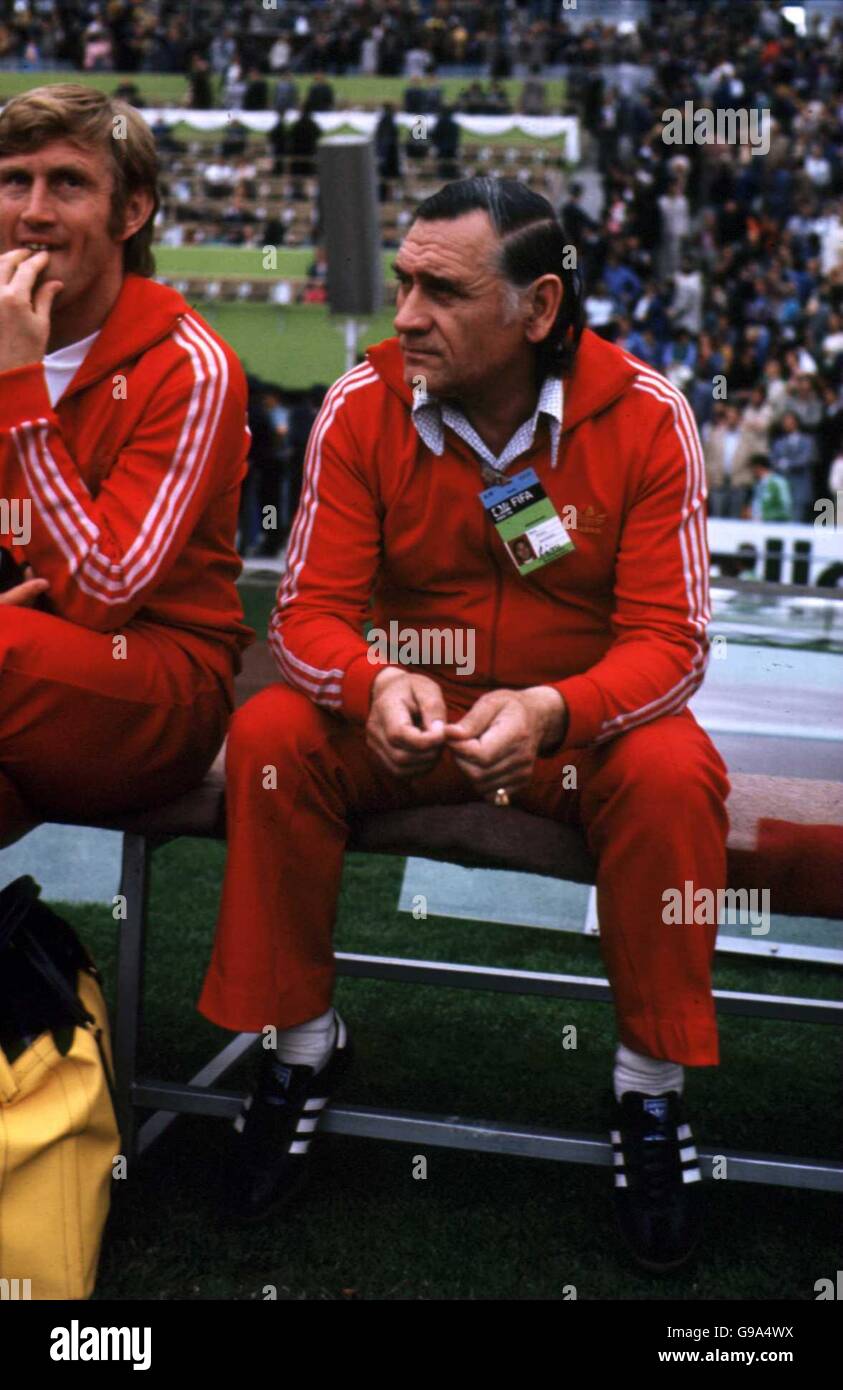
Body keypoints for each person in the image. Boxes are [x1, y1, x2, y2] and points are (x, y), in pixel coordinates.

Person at [200, 177, 729, 1275]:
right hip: (404, 725)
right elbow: (306, 617)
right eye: (402, 281)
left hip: (565, 738)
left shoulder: (645, 412)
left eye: (441, 289)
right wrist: (367, 685)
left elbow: (672, 643)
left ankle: (648, 1093)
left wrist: (553, 709)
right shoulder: (362, 402)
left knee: (676, 767)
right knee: (271, 736)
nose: (404, 314)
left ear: (539, 309)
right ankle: (299, 1050)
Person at [0, 84, 251, 846]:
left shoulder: (189, 365)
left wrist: (18, 384)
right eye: (15, 180)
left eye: (68, 183)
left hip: (154, 682)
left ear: (131, 212)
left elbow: (104, 589)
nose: (34, 210)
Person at [746, 454, 793, 522]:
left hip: (773, 526)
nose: (750, 471)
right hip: (756, 525)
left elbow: (785, 509)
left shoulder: (779, 483)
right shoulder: (757, 484)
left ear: (758, 467)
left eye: (752, 468)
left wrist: (764, 516)